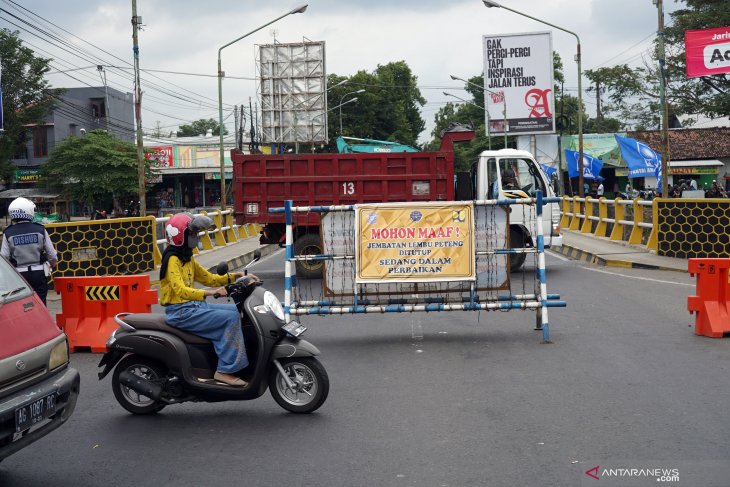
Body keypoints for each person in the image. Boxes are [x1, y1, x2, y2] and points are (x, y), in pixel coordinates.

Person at [159, 212, 254, 387]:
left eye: (196, 234)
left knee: (237, 312)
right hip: (181, 312)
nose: (195, 238)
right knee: (230, 318)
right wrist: (210, 293)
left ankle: (231, 358)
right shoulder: (172, 259)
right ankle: (224, 370)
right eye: (192, 234)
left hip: (194, 306)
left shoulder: (186, 257)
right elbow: (180, 290)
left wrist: (237, 276)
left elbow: (209, 278)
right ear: (180, 236)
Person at [0, 197, 58, 305]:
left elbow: (4, 257)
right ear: (29, 211)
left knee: (22, 304)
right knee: (41, 304)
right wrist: (52, 264)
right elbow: (52, 255)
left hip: (18, 277)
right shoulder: (40, 229)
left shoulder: (8, 233)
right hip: (39, 274)